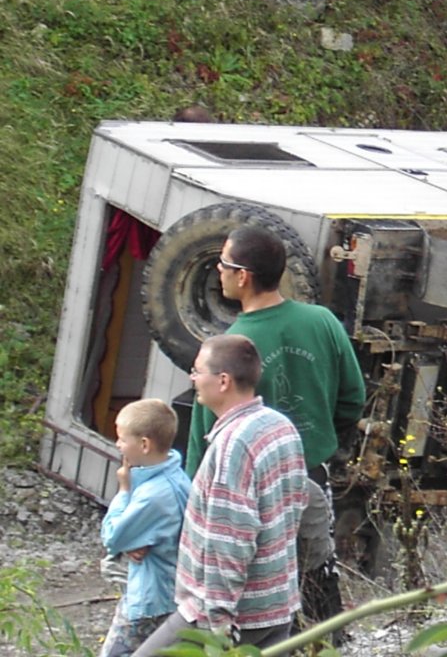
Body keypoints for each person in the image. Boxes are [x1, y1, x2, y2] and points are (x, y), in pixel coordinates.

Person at [183, 224, 366, 637]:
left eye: (224, 264)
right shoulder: (323, 321)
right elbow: (353, 398)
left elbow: (204, 438)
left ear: (243, 276)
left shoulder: (227, 350)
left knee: (260, 595)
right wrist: (318, 442)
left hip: (250, 492)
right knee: (317, 577)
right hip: (312, 476)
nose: (218, 270)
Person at [134, 334, 308, 655]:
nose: (193, 378)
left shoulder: (233, 445)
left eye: (198, 371)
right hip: (277, 607)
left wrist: (218, 624)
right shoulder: (280, 427)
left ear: (223, 381)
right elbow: (298, 504)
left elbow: (229, 540)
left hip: (229, 616)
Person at [98, 399, 191, 657]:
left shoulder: (153, 495)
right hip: (171, 592)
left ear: (144, 445)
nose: (118, 445)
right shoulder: (176, 477)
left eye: (122, 439)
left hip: (151, 597)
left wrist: (124, 490)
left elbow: (112, 537)